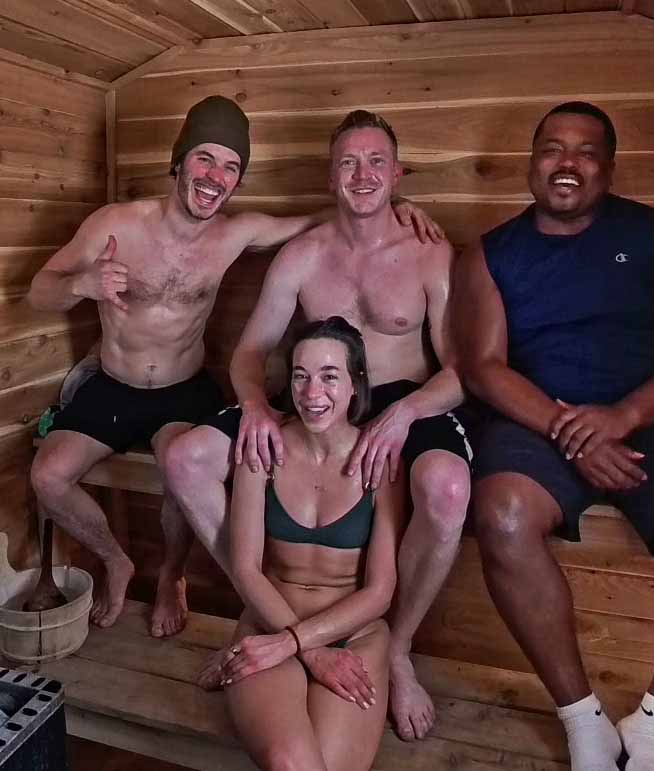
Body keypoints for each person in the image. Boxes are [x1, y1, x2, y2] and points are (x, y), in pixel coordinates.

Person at [27, 95, 438, 636]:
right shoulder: (116, 224)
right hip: (113, 383)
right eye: (205, 159)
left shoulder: (236, 233)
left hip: (182, 388)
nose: (215, 176)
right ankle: (116, 559)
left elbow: (327, 216)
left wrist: (397, 205)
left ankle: (173, 575)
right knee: (46, 476)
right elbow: (40, 291)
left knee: (180, 463)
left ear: (237, 181)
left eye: (230, 166)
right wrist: (82, 283)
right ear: (179, 161)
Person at [453, 101, 654, 771]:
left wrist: (623, 417)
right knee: (503, 514)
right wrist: (572, 432)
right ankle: (584, 723)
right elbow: (482, 367)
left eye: (586, 151)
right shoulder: (489, 254)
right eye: (552, 148)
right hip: (539, 420)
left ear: (608, 168)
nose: (567, 162)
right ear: (531, 161)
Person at [166, 109, 472, 741]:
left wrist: (406, 412)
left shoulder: (430, 254)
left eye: (376, 162)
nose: (363, 175)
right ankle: (265, 616)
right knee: (184, 459)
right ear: (331, 174)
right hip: (314, 396)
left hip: (406, 401)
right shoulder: (302, 256)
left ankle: (399, 648)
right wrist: (254, 405)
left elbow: (464, 370)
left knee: (446, 489)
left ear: (397, 173)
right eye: (349, 163)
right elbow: (251, 351)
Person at [197, 316, 404, 771]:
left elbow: (380, 591)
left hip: (355, 636)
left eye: (330, 376)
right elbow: (247, 567)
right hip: (269, 628)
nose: (312, 394)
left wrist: (298, 644)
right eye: (300, 376)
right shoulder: (263, 449)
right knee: (290, 764)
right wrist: (301, 648)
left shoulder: (381, 462)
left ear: (355, 385)